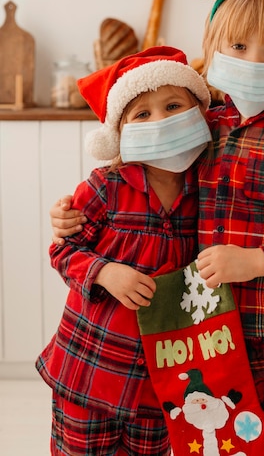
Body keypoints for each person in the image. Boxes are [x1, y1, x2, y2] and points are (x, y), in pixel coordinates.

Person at [51, 0, 264, 456]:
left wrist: (258, 261)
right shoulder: (206, 125)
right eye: (238, 45)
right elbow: (146, 170)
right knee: (227, 442)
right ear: (213, 49)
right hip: (217, 334)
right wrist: (71, 215)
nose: (254, 60)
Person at [37, 45, 211, 456]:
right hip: (91, 367)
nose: (162, 121)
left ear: (197, 111)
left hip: (162, 378)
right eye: (143, 114)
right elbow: (63, 251)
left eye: (173, 106)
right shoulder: (106, 186)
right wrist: (103, 271)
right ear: (121, 130)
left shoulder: (208, 191)